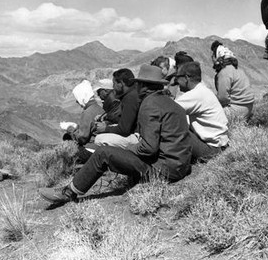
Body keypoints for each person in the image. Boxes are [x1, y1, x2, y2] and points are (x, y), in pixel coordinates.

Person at [39, 64, 193, 205]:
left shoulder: (149, 105)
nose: (136, 86)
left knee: (103, 153)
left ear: (143, 86)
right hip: (181, 167)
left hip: (164, 171)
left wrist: (127, 149)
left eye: (137, 83)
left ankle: (69, 192)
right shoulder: (172, 104)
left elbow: (149, 148)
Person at [174, 61, 229, 163]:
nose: (176, 81)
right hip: (221, 145)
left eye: (177, 78)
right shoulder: (203, 90)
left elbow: (167, 109)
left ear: (186, 78)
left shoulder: (195, 94)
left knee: (174, 129)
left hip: (212, 150)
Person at [92, 69, 140, 148]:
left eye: (114, 84)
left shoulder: (130, 98)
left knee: (99, 139)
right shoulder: (131, 94)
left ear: (121, 83)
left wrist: (105, 128)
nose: (113, 87)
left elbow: (124, 130)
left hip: (137, 136)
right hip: (133, 132)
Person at [210, 41, 255, 121]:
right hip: (247, 107)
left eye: (213, 56)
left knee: (205, 115)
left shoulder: (224, 72)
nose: (212, 58)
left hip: (236, 110)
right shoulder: (236, 69)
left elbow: (223, 98)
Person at [64, 80, 104, 146]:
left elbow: (82, 138)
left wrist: (70, 129)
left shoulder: (87, 113)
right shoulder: (98, 107)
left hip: (93, 146)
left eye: (77, 98)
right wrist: (77, 127)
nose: (77, 101)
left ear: (82, 97)